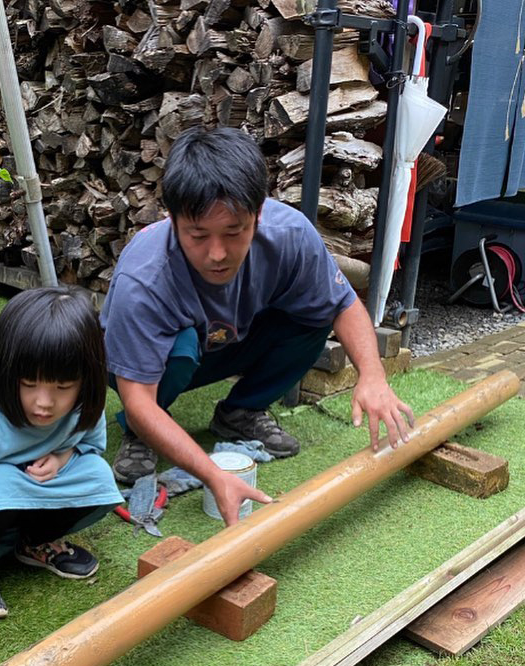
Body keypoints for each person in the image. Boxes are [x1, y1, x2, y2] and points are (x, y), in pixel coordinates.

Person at [101, 126, 414, 526]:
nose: (217, 254)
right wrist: (214, 475)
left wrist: (372, 375)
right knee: (178, 348)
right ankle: (140, 437)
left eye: (234, 232)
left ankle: (241, 412)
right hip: (147, 365)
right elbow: (138, 401)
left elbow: (343, 303)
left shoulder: (290, 235)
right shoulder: (143, 280)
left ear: (258, 213)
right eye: (198, 235)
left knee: (314, 315)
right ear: (172, 218)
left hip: (226, 341)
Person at [0, 286, 123, 620]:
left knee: (97, 475)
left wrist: (60, 459)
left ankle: (33, 543)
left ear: (87, 380)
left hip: (27, 491)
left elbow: (87, 446)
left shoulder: (83, 406)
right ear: (5, 371)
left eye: (62, 387)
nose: (44, 402)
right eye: (29, 384)